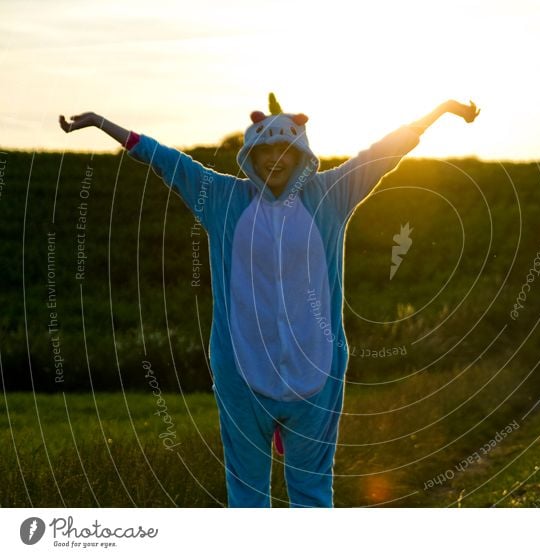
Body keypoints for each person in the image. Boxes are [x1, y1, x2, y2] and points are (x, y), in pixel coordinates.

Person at [59, 94, 480, 507]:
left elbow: (386, 152)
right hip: (242, 373)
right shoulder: (223, 199)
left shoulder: (331, 194)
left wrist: (440, 111)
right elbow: (168, 161)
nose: (275, 159)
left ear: (300, 153)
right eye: (265, 150)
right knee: (246, 495)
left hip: (317, 373)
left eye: (285, 148)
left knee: (312, 494)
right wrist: (101, 122)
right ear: (250, 154)